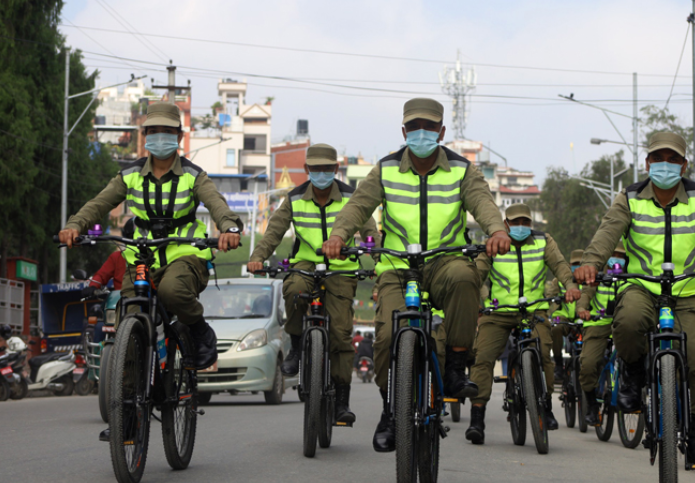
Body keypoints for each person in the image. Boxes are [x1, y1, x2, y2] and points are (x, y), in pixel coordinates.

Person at [322, 97, 512, 452]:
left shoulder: (462, 169)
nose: (421, 133)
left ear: (441, 132)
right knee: (384, 340)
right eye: (414, 127)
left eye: (428, 127)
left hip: (445, 262)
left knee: (465, 278)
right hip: (396, 267)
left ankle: (456, 364)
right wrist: (337, 236)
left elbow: (483, 202)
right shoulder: (385, 169)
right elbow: (356, 207)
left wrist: (497, 230)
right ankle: (391, 410)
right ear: (404, 131)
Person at [575, 131, 695, 465]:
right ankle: (631, 372)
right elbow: (607, 234)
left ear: (684, 164)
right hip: (643, 287)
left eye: (673, 159)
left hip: (690, 291)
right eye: (658, 158)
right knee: (628, 322)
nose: (665, 165)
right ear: (647, 163)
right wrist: (590, 262)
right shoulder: (628, 198)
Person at [59, 102, 242, 375]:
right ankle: (129, 400)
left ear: (179, 136)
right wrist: (74, 225)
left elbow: (217, 204)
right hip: (142, 258)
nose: (159, 137)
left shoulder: (194, 175)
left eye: (166, 131)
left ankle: (199, 330)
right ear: (144, 136)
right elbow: (99, 204)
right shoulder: (129, 175)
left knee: (171, 291)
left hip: (184, 254)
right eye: (153, 131)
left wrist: (229, 228)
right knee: (128, 316)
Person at [247, 143, 379, 424]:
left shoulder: (351, 197)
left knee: (342, 334)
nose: (321, 173)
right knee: (293, 289)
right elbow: (273, 233)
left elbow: (370, 235)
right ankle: (296, 345)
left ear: (336, 169)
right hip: (306, 263)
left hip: (342, 268)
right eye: (315, 169)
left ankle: (342, 399)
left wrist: (380, 261)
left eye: (326, 169)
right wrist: (258, 257)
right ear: (307, 170)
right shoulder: (293, 198)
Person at [466, 203, 580, 444]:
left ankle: (545, 406)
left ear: (531, 224)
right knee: (483, 357)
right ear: (505, 224)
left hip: (534, 310)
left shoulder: (543, 241)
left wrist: (570, 286)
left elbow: (559, 265)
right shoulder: (493, 243)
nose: (520, 227)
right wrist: (473, 299)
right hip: (498, 311)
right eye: (515, 222)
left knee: (544, 352)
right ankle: (477, 416)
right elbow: (477, 274)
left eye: (525, 222)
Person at [576, 243, 627, 426]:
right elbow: (585, 294)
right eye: (612, 254)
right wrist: (582, 309)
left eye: (620, 255)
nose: (616, 258)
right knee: (588, 364)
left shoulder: (631, 275)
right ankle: (591, 405)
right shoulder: (596, 275)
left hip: (623, 325)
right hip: (598, 324)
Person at [546, 248, 583, 382]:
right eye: (574, 264)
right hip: (564, 316)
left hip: (584, 317)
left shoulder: (591, 280)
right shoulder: (560, 280)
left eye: (580, 264)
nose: (576, 267)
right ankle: (558, 364)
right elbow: (549, 296)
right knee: (555, 328)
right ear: (569, 265)